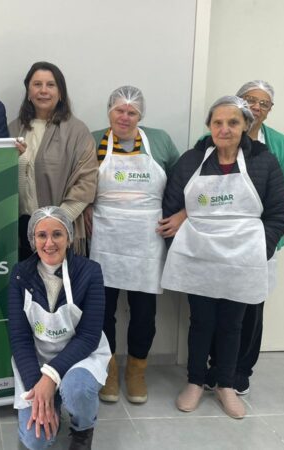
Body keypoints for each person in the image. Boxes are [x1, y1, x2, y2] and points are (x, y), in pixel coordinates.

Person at [160, 96, 284, 419]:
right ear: (209, 126)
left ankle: (225, 384)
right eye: (218, 122)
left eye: (233, 122)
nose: (224, 129)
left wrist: (260, 249)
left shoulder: (264, 163)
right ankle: (195, 381)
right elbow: (171, 205)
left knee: (233, 324)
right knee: (201, 322)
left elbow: (277, 214)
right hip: (200, 257)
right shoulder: (193, 160)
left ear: (246, 125)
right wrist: (182, 225)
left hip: (242, 260)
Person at [203, 80, 284, 395]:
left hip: (259, 240)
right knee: (214, 303)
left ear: (269, 110)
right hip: (217, 240)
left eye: (264, 103)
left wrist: (270, 227)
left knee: (249, 307)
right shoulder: (208, 141)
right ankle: (213, 366)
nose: (256, 106)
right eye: (250, 99)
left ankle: (239, 370)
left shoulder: (279, 146)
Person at [86, 86, 180, 404]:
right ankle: (109, 371)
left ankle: (136, 371)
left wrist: (180, 215)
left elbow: (182, 181)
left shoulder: (160, 141)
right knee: (103, 312)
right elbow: (80, 180)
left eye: (132, 112)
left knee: (143, 313)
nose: (125, 117)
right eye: (119, 110)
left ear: (141, 115)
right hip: (105, 237)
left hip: (146, 239)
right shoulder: (94, 139)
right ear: (109, 111)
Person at [9, 206, 110, 450]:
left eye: (57, 234)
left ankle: (82, 429)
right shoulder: (20, 275)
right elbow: (20, 339)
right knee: (35, 441)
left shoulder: (90, 272)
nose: (49, 243)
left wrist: (52, 375)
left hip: (81, 357)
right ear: (33, 239)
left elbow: (88, 337)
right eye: (42, 235)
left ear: (69, 237)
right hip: (37, 359)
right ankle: (50, 402)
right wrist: (39, 387)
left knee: (77, 389)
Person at [10, 62, 98, 259]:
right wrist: (21, 160)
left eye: (51, 85)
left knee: (62, 289)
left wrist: (57, 220)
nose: (43, 90)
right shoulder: (13, 129)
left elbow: (86, 181)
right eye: (37, 84)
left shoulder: (77, 131)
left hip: (61, 227)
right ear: (28, 91)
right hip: (21, 228)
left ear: (61, 92)